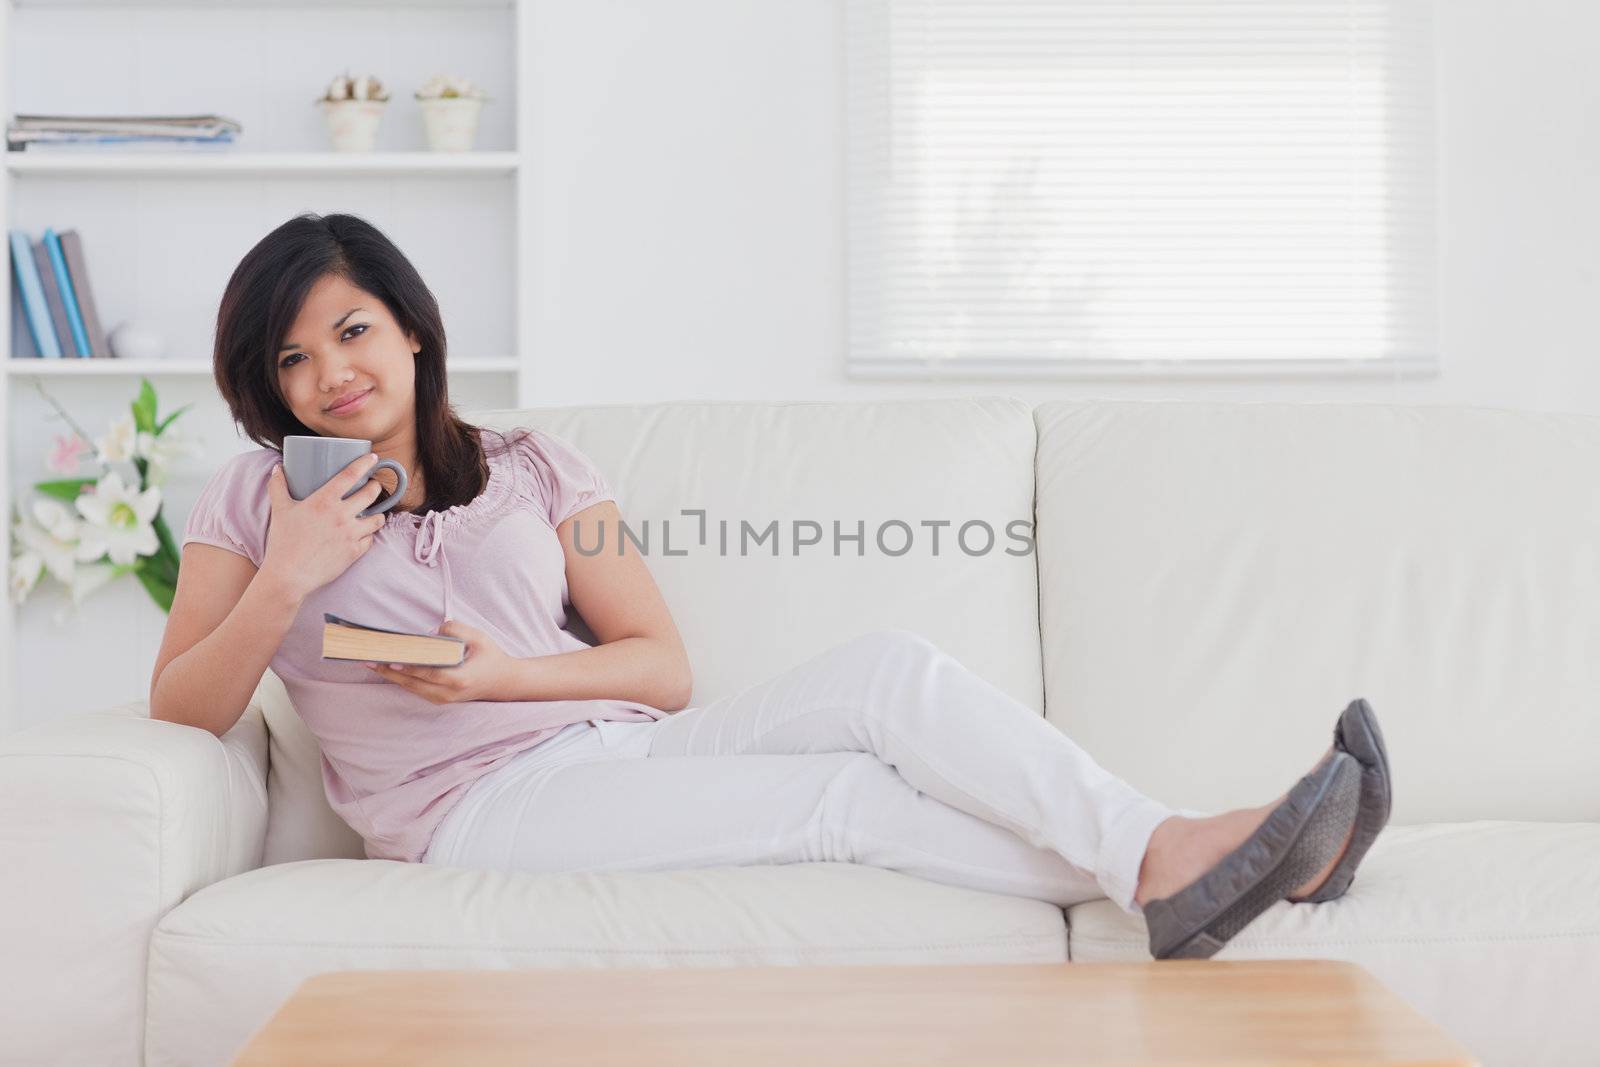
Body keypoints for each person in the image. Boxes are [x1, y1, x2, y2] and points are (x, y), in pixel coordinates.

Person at [150, 212, 1390, 961]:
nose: (330, 374)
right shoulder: (252, 501)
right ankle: (1211, 857)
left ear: (413, 329)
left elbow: (659, 664)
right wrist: (287, 577)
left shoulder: (537, 469)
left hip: (620, 744)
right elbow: (182, 703)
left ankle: (1188, 854)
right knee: (842, 800)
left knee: (888, 672)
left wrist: (509, 673)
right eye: (292, 358)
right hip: (474, 813)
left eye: (352, 330)